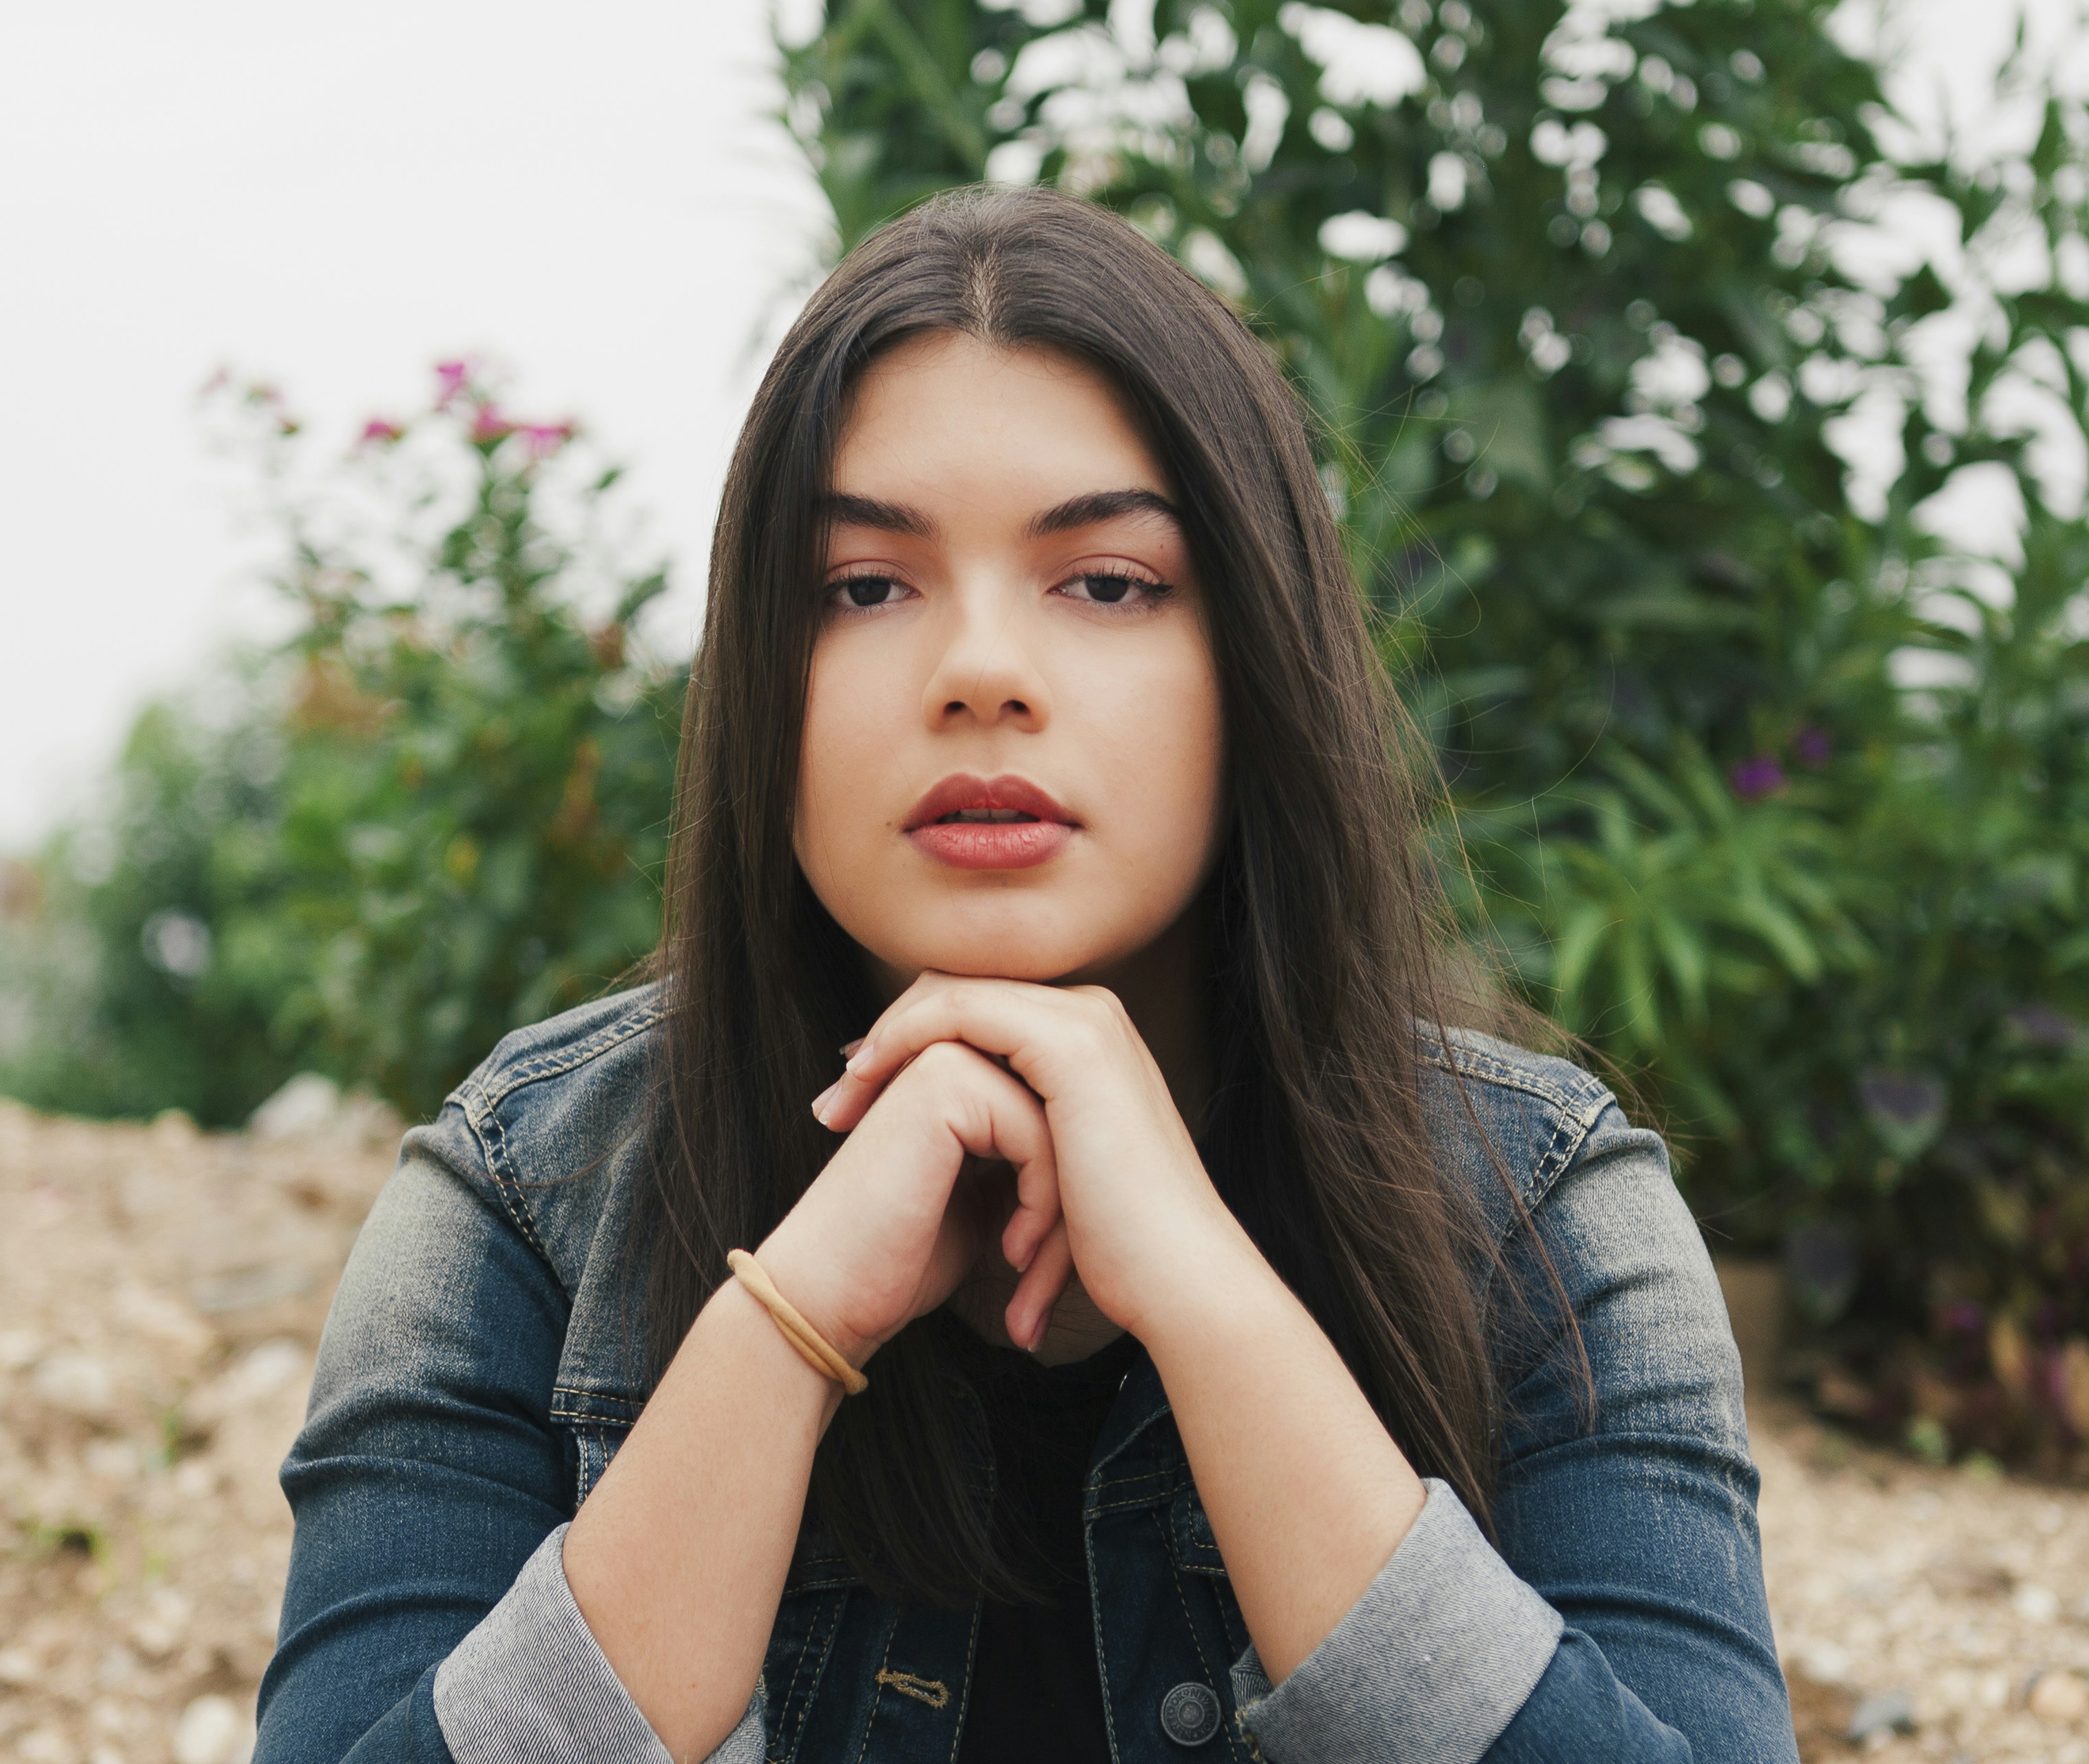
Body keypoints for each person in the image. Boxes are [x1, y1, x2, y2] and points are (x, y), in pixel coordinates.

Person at [256, 185, 1794, 1764]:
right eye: (863, 585)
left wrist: (1206, 1302)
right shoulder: (526, 1199)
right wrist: (787, 1323)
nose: (981, 671)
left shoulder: (1539, 1213)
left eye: (1108, 582)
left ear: (1252, 661)